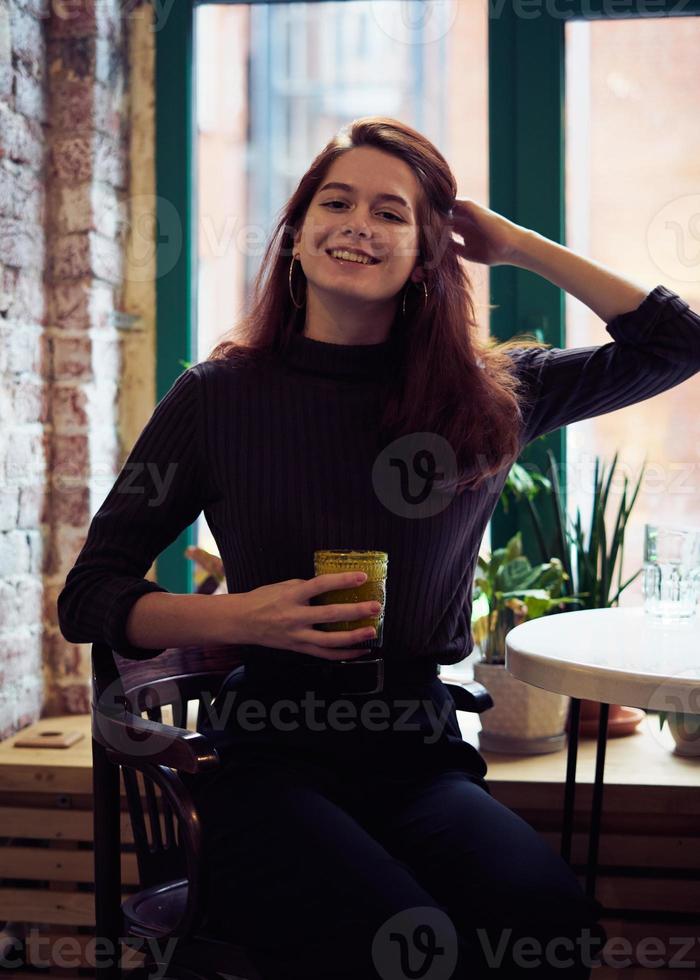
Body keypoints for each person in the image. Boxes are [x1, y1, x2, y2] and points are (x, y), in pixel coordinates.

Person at [58, 116, 700, 979]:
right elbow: (89, 595)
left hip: (417, 755)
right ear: (295, 237)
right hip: (267, 760)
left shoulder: (490, 397)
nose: (359, 222)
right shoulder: (218, 399)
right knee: (412, 941)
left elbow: (677, 344)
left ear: (429, 254)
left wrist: (518, 244)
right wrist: (245, 618)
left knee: (549, 921)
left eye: (392, 213)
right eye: (336, 201)